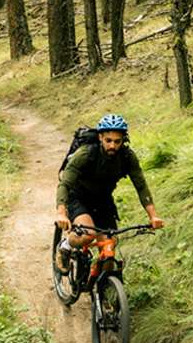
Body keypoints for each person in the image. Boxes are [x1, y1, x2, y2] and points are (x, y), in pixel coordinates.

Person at [55, 114, 164, 272]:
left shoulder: (127, 157)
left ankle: (102, 290)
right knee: (88, 234)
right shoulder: (86, 154)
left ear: (123, 140)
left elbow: (141, 186)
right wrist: (61, 213)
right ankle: (65, 247)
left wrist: (153, 216)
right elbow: (65, 184)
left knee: (109, 251)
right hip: (77, 197)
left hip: (103, 200)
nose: (112, 145)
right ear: (100, 137)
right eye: (108, 141)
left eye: (117, 141)